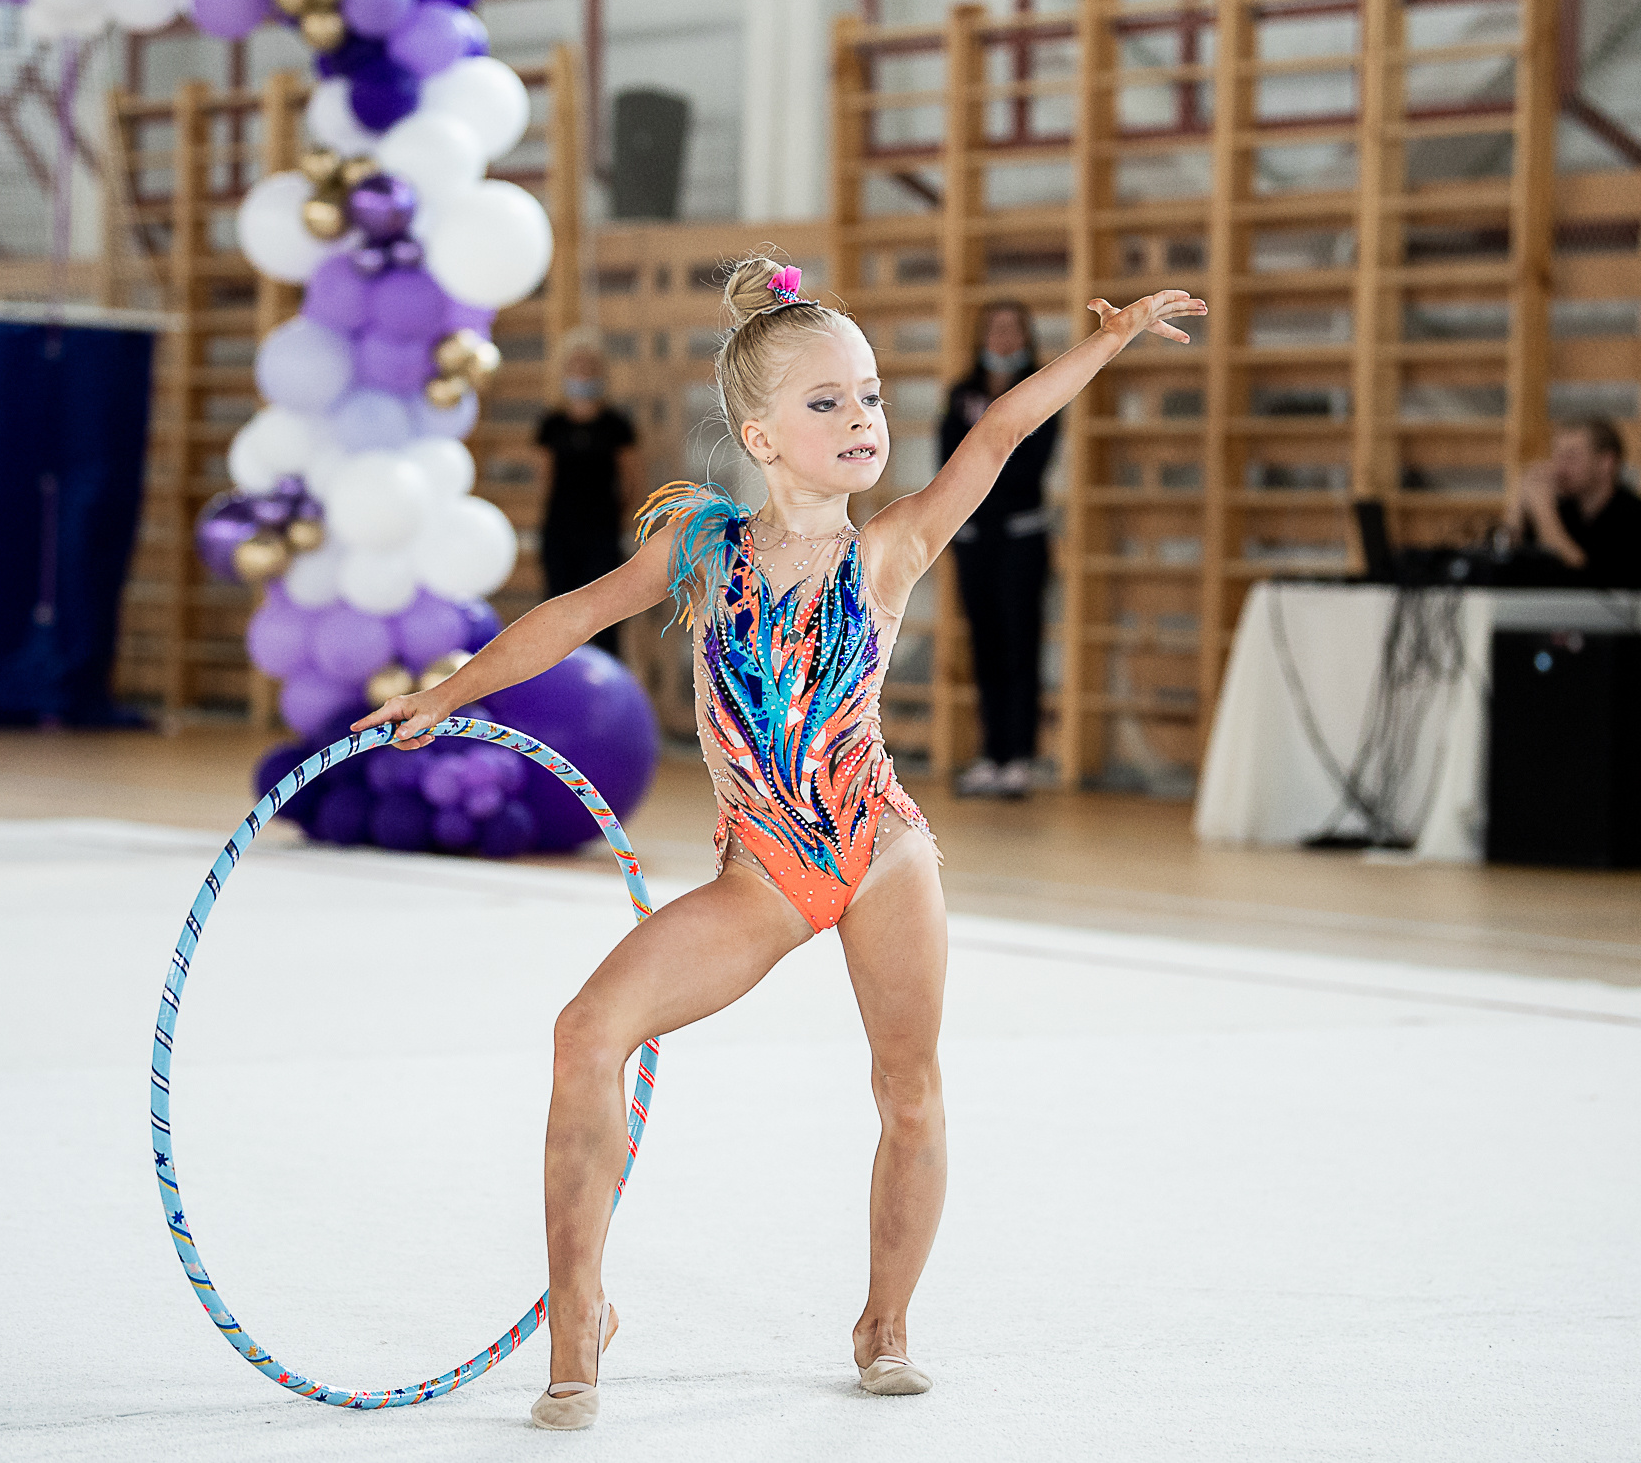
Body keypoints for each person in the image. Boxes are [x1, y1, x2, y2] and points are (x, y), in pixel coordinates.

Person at [356, 256, 1204, 1429]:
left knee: (909, 1090)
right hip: (762, 872)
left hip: (877, 853)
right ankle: (581, 1311)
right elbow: (571, 615)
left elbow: (1001, 434)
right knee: (585, 1031)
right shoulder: (701, 553)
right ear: (758, 435)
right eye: (827, 403)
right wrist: (449, 693)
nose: (862, 419)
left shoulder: (891, 548)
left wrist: (1104, 341)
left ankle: (885, 1322)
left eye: (869, 397)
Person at [939, 300, 1056, 799]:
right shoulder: (961, 392)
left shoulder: (1039, 390)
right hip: (973, 539)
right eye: (996, 328)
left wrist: (990, 483)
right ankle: (991, 753)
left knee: (1020, 644)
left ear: (1026, 336)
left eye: (1013, 329)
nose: (1004, 337)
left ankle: (1019, 759)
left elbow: (1032, 463)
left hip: (1022, 536)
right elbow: (950, 460)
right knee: (983, 645)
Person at [1507, 417, 1641, 622]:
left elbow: (1587, 581)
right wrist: (1519, 506)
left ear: (1606, 463)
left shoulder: (1635, 520)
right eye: (1556, 456)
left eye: (1571, 457)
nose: (1559, 468)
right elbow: (1512, 568)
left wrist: (1543, 511)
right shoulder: (1567, 512)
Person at [535, 327, 642, 655]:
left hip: (602, 533)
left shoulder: (617, 425)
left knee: (605, 617)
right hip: (560, 532)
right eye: (575, 364)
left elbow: (633, 483)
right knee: (557, 612)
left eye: (589, 364)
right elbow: (545, 482)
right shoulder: (551, 424)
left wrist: (618, 523)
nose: (582, 371)